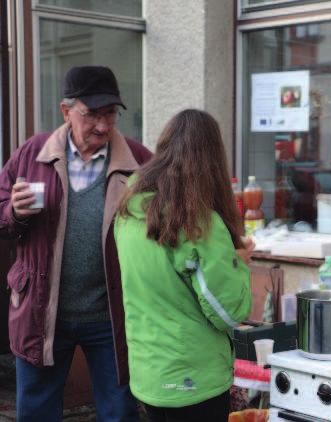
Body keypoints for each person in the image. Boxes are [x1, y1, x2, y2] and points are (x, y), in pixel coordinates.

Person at [0, 66, 152, 420]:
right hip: (41, 312)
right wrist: (15, 213)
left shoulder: (139, 161)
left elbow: (166, 219)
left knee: (120, 412)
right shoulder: (32, 154)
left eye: (110, 114)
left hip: (112, 313)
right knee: (36, 412)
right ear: (66, 111)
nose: (102, 125)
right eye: (92, 114)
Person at [114, 109, 253, 421]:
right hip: (193, 378)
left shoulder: (131, 209)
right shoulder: (200, 221)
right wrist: (239, 263)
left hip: (148, 371)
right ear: (213, 160)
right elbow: (228, 313)